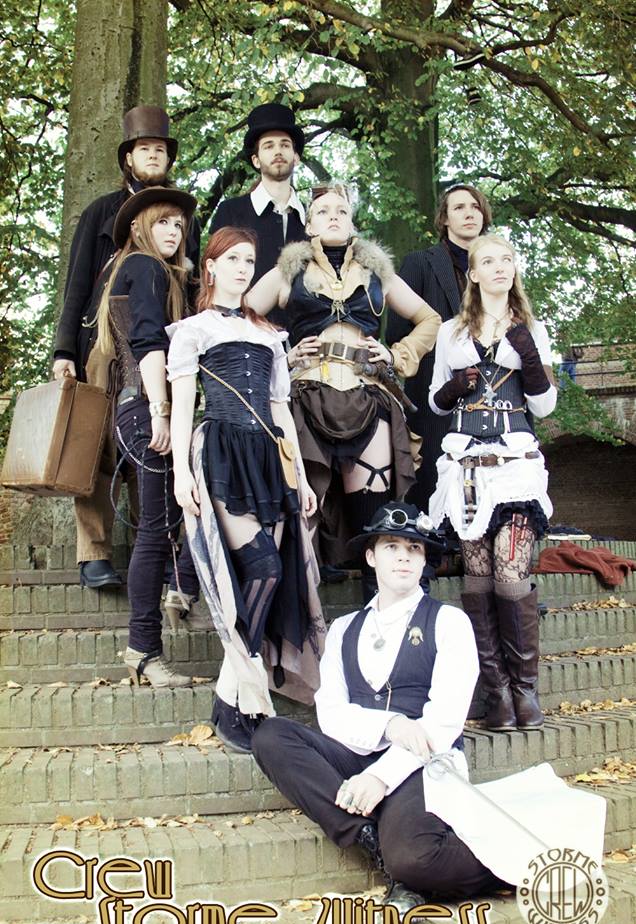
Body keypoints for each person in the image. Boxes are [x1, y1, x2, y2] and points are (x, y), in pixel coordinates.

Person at [252, 501, 501, 914]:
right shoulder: (344, 629)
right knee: (271, 736)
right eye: (391, 547)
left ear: (424, 561)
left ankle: (507, 864)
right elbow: (331, 712)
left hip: (422, 762)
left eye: (414, 549)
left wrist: (380, 778)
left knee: (415, 860)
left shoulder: (449, 622)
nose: (404, 557)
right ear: (371, 557)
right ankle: (371, 839)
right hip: (356, 752)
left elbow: (443, 723)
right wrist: (391, 724)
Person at [167, 226, 326, 754]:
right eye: (232, 259)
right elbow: (184, 406)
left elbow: (281, 411)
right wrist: (181, 474)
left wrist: (301, 477)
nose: (242, 268)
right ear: (210, 267)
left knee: (271, 575)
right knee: (263, 568)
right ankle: (237, 697)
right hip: (223, 454)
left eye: (249, 261)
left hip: (268, 458)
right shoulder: (192, 330)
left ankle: (230, 700)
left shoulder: (271, 335)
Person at [246, 184, 441, 596]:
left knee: (374, 511)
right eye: (322, 211)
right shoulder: (287, 272)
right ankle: (307, 622)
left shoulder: (379, 274)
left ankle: (380, 613)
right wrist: (283, 356)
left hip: (367, 396)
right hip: (305, 398)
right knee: (303, 506)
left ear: (352, 222)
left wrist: (396, 354)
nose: (333, 216)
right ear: (308, 224)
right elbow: (239, 318)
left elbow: (430, 319)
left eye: (341, 210)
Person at [52, 105, 201, 589]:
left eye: (160, 149)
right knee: (94, 445)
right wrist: (64, 350)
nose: (153, 155)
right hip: (103, 344)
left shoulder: (183, 216)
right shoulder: (101, 211)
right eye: (144, 148)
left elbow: (192, 284)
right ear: (129, 159)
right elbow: (77, 284)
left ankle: (151, 547)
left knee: (157, 441)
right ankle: (93, 552)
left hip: (162, 343)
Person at [428, 234, 557, 731]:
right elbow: (436, 402)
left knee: (510, 570)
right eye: (489, 260)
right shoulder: (451, 332)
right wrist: (453, 387)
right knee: (477, 575)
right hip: (466, 466)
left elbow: (545, 405)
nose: (500, 267)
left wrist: (529, 356)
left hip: (516, 464)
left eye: (507, 259)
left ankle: (526, 690)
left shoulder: (531, 328)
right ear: (474, 273)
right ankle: (497, 692)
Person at [95, 186, 198, 687]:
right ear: (138, 227)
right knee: (156, 528)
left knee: (168, 519)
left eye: (178, 225)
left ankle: (181, 588)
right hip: (147, 407)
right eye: (163, 222)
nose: (173, 232)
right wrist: (161, 411)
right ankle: (143, 649)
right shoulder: (146, 266)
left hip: (137, 406)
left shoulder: (138, 271)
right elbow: (148, 344)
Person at [386, 184, 492, 512]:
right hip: (433, 394)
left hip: (493, 395)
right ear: (444, 219)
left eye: (475, 206)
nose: (469, 213)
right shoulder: (419, 263)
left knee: (491, 490)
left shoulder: (499, 266)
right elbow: (397, 332)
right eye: (459, 207)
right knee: (434, 488)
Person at [211, 102, 306, 292]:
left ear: (296, 157)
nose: (278, 151)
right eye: (269, 146)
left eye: (285, 145)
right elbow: (214, 280)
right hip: (243, 311)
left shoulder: (313, 216)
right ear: (256, 160)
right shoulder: (230, 211)